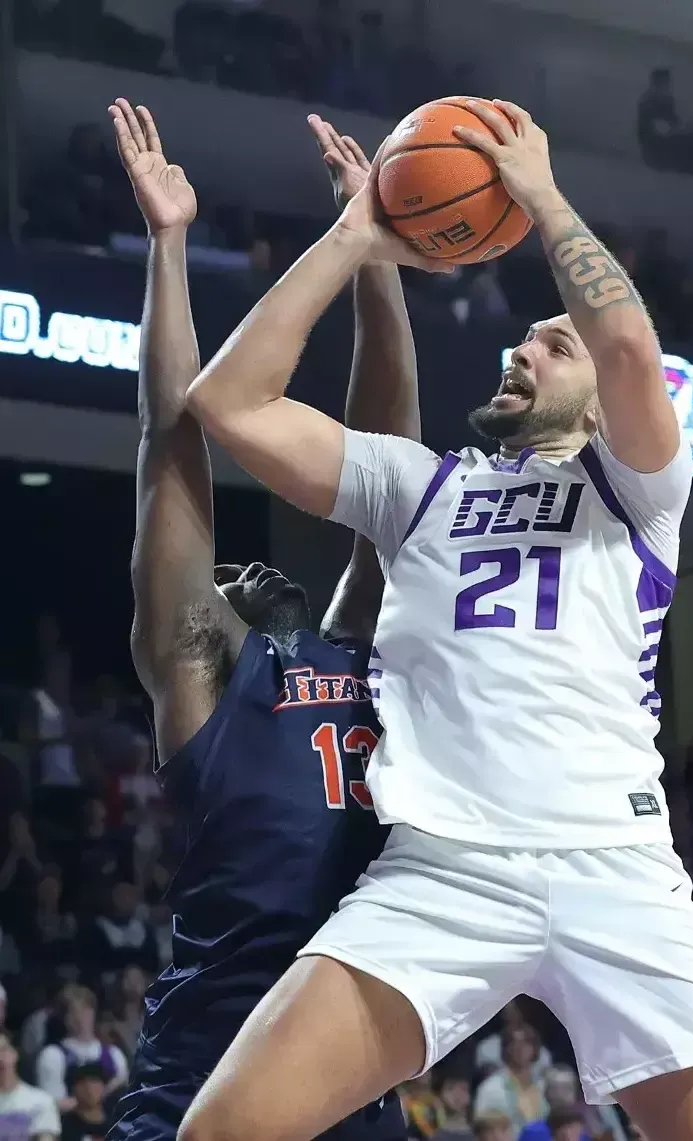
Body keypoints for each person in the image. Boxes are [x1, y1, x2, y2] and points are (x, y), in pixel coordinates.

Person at [182, 99, 693, 1141]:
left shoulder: (637, 491)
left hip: (612, 864)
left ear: (595, 405)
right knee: (222, 1130)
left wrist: (538, 194)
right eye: (523, 339)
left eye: (551, 343)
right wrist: (355, 237)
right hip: (444, 865)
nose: (523, 350)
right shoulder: (419, 488)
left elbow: (628, 348)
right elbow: (230, 404)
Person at [104, 98, 423, 1141]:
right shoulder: (205, 679)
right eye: (220, 570)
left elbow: (385, 460)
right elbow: (171, 441)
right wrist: (168, 243)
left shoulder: (358, 648)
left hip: (351, 1090)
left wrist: (375, 248)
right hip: (200, 1088)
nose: (233, 564)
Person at [35, 986, 128, 1110]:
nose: (81, 1018)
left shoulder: (114, 1054)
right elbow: (52, 1105)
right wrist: (96, 1098)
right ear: (64, 1018)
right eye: (73, 1012)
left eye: (86, 1011)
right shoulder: (52, 1055)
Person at [473, 1027, 547, 1130]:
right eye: (514, 1043)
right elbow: (482, 1128)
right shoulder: (490, 1088)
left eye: (526, 1043)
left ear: (535, 1049)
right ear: (506, 1049)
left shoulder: (543, 1085)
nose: (520, 1048)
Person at [0, 1030, 60, 1141]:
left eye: (3, 1050)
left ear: (15, 1053)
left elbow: (46, 1138)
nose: (0, 1058)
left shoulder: (41, 1101)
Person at [58, 1065, 109, 1141]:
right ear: (73, 1089)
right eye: (82, 1083)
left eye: (94, 1081)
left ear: (104, 1086)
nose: (88, 1088)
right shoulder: (62, 1125)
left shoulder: (118, 1123)